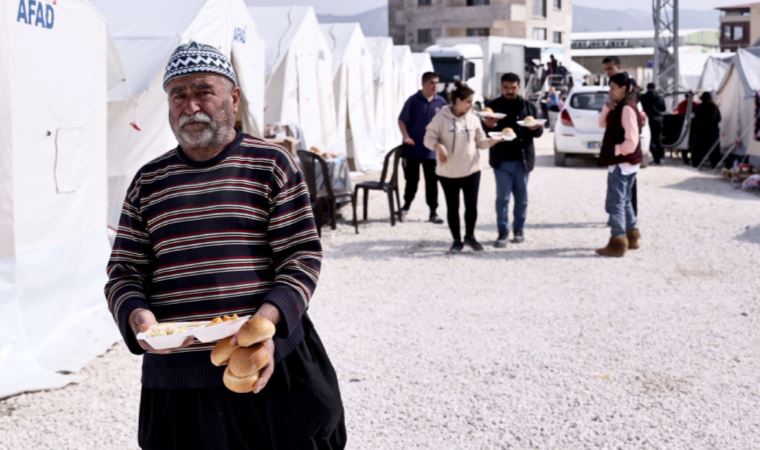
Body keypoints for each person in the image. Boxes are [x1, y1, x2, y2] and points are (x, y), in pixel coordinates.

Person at [104, 42, 346, 450]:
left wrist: (266, 326)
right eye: (178, 94)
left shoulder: (271, 165)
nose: (190, 104)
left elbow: (301, 256)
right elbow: (124, 272)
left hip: (269, 366)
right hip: (178, 382)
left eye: (203, 91)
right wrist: (138, 317)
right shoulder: (148, 181)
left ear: (233, 98)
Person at [424, 82, 498, 253]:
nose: (471, 105)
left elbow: (481, 143)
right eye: (468, 101)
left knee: (471, 206)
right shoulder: (440, 118)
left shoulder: (473, 119)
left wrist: (496, 140)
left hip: (471, 170)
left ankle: (470, 237)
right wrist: (438, 147)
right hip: (447, 172)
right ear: (457, 101)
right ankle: (457, 240)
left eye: (472, 101)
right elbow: (428, 139)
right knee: (453, 207)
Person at [482, 73, 544, 248]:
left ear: (519, 87)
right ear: (501, 87)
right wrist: (489, 126)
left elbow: (538, 133)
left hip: (523, 159)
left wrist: (534, 128)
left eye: (513, 87)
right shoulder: (492, 106)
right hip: (501, 159)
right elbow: (484, 132)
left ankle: (519, 229)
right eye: (506, 87)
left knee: (522, 198)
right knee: (502, 198)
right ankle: (502, 231)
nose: (510, 91)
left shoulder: (529, 107)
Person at [596, 72, 643, 257]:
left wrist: (616, 150)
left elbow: (631, 140)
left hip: (622, 163)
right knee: (625, 201)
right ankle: (632, 236)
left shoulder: (626, 109)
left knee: (617, 203)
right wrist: (607, 108)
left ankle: (617, 242)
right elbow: (601, 124)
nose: (610, 91)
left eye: (613, 88)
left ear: (624, 88)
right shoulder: (621, 106)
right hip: (625, 163)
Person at [398, 71, 449, 224]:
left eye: (437, 83)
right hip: (413, 149)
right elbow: (401, 120)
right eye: (431, 83)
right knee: (412, 181)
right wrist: (406, 136)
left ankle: (433, 212)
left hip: (432, 151)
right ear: (423, 84)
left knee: (432, 182)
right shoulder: (413, 101)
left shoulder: (441, 102)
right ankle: (405, 207)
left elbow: (447, 123)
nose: (435, 86)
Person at [601, 55, 641, 215]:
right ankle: (619, 217)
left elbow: (636, 116)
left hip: (627, 146)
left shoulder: (628, 89)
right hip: (615, 139)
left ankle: (628, 219)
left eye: (610, 68)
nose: (607, 72)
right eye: (605, 70)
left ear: (618, 66)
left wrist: (620, 148)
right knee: (617, 190)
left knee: (627, 189)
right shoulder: (613, 88)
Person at [690, 91, 722, 168]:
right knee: (713, 149)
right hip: (713, 131)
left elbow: (695, 119)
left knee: (699, 148)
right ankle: (714, 163)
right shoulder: (714, 107)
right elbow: (719, 119)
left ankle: (696, 163)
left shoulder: (699, 107)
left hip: (702, 131)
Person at [640, 82, 666, 164]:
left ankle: (655, 156)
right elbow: (663, 109)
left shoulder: (643, 97)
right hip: (659, 121)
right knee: (658, 140)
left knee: (649, 140)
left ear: (647, 88)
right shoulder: (660, 97)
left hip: (648, 121)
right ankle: (658, 158)